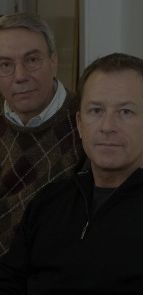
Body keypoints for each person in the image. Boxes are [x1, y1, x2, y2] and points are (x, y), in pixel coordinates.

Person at [0, 53, 143, 295]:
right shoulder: (49, 200)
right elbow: (7, 287)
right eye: (96, 111)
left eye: (125, 112)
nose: (108, 127)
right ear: (79, 124)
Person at [0, 13, 83, 255]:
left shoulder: (89, 122)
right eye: (5, 65)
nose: (20, 76)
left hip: (55, 275)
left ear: (53, 61)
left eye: (32, 59)